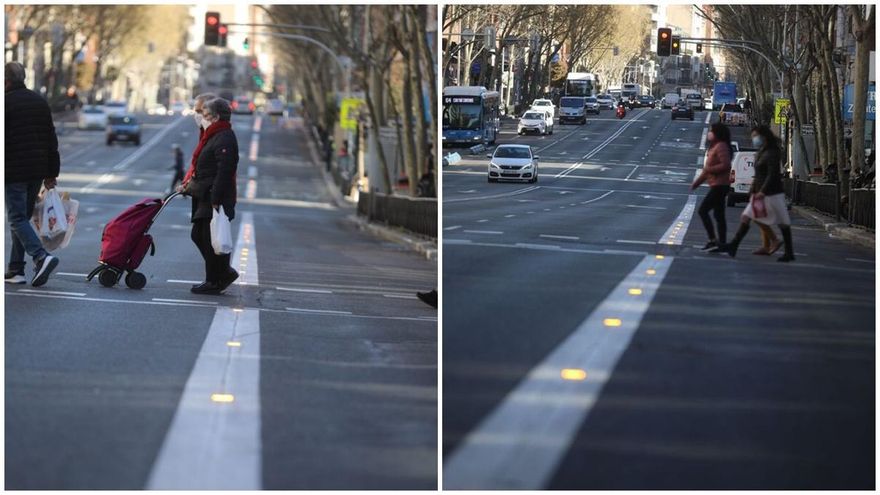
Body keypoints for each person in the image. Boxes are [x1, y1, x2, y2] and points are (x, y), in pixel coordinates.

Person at [5, 62, 60, 286]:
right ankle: (16, 269)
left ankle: (41, 257)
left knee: (17, 218)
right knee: (23, 219)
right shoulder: (39, 101)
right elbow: (51, 138)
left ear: (6, 81)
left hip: (14, 169)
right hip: (37, 170)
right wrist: (51, 173)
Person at [182, 97, 240, 294]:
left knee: (208, 238)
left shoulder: (224, 137)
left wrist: (216, 198)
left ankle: (214, 279)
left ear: (216, 117)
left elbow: (225, 171)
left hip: (215, 197)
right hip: (205, 194)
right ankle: (221, 273)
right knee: (200, 235)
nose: (202, 119)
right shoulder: (212, 135)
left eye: (206, 115)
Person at [714, 125, 795, 262]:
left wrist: (762, 191)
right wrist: (753, 190)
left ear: (764, 136)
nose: (754, 139)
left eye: (756, 136)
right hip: (760, 191)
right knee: (747, 216)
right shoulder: (762, 151)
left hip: (772, 193)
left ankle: (787, 251)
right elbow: (758, 175)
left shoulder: (773, 152)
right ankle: (735, 245)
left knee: (783, 222)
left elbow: (772, 174)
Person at [691, 123, 733, 250]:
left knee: (703, 211)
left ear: (717, 133)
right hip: (717, 184)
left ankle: (714, 240)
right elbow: (706, 171)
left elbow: (725, 165)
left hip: (720, 185)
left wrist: (711, 169)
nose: (709, 133)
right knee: (718, 215)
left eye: (711, 131)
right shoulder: (714, 147)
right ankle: (721, 243)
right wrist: (696, 183)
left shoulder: (721, 146)